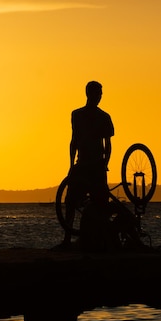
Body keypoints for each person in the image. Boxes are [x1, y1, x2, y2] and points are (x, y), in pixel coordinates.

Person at [58, 81, 115, 249]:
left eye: (100, 94)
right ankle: (68, 239)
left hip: (95, 165)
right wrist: (71, 164)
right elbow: (74, 141)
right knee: (70, 202)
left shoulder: (103, 116)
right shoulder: (77, 115)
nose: (99, 97)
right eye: (97, 93)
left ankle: (97, 237)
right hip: (84, 164)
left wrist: (105, 162)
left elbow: (107, 144)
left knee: (100, 203)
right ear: (89, 94)